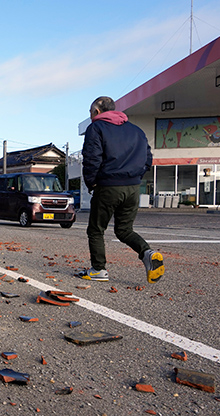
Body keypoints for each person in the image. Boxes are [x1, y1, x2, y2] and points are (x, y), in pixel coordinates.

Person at [77, 96, 164, 283]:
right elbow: (148, 158)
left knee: (96, 229)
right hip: (133, 188)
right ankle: (147, 253)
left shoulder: (96, 128)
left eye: (91, 113)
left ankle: (98, 269)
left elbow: (92, 158)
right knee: (124, 230)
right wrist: (136, 177)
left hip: (108, 186)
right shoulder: (136, 130)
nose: (91, 116)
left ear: (97, 112)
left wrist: (92, 183)